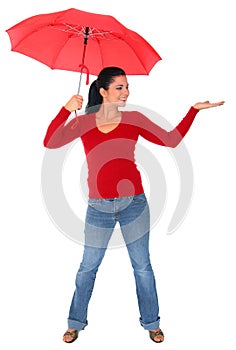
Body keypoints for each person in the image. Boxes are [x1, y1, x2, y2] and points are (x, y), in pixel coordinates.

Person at [43, 66, 224, 343]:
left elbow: (171, 140)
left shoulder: (135, 119)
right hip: (98, 207)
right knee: (87, 267)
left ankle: (152, 323)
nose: (126, 92)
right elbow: (50, 142)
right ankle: (75, 322)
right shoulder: (83, 122)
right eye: (119, 87)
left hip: (134, 205)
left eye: (127, 87)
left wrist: (193, 110)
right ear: (103, 91)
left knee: (142, 267)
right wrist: (66, 109)